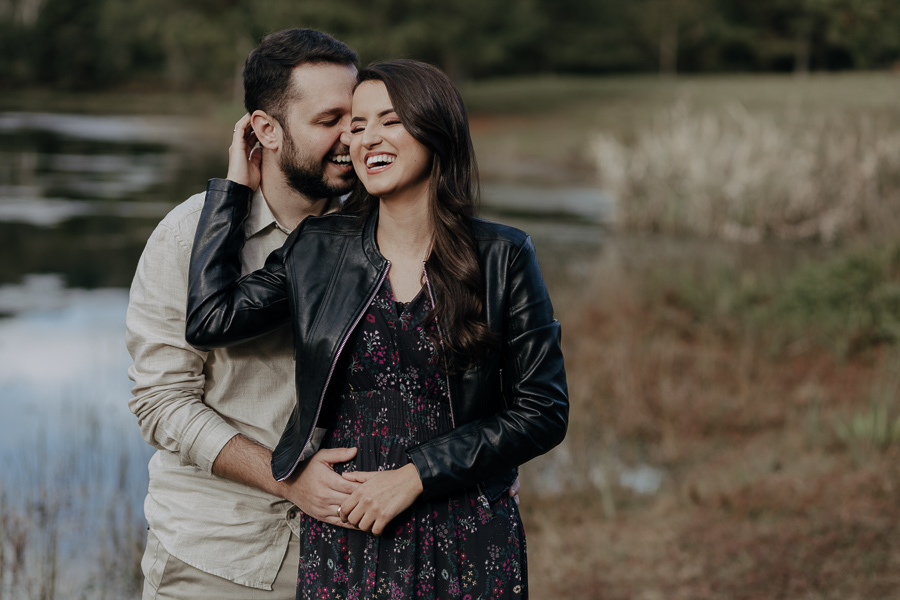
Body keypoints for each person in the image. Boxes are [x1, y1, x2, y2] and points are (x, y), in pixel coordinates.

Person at [185, 59, 568, 599]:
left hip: (468, 533)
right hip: (348, 534)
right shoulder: (320, 248)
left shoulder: (503, 256)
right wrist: (232, 190)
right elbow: (210, 319)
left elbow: (543, 411)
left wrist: (415, 475)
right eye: (357, 126)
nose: (366, 140)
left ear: (435, 130)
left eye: (389, 121)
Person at [125, 29, 363, 599]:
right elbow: (161, 402)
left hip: (354, 559)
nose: (351, 139)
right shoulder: (186, 236)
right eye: (329, 120)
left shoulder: (378, 234)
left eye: (357, 120)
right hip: (219, 560)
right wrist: (289, 481)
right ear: (265, 130)